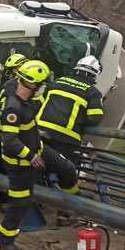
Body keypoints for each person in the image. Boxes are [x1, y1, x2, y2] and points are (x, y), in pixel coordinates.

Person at [0, 60, 75, 250]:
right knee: (19, 204)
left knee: (22, 202)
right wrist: (31, 156)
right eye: (40, 85)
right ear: (32, 85)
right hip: (19, 165)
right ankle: (4, 243)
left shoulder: (24, 103)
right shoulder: (13, 109)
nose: (42, 89)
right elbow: (10, 141)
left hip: (29, 160)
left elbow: (25, 131)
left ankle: (6, 241)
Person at [35, 55, 103, 225]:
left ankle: (37, 204)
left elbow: (41, 102)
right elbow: (95, 117)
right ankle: (65, 213)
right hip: (66, 139)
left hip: (39, 132)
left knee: (38, 167)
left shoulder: (57, 82)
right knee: (68, 175)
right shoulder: (92, 92)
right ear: (94, 75)